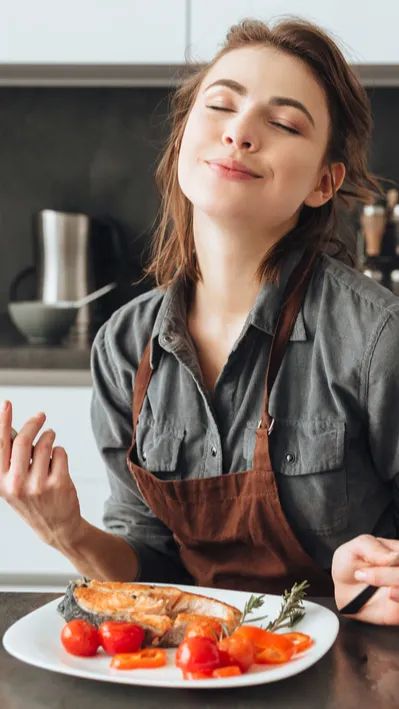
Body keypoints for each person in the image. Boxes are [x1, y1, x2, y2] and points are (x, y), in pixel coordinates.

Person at [1, 18, 399, 626]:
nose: (240, 132)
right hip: (192, 668)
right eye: (220, 106)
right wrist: (64, 530)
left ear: (324, 182)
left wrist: (381, 582)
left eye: (284, 123)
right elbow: (149, 575)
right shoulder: (123, 347)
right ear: (184, 134)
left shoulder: (377, 338)